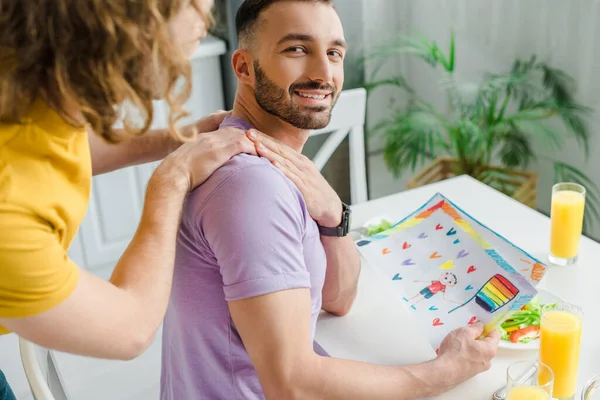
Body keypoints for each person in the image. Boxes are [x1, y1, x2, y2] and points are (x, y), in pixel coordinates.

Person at [160, 1, 500, 399]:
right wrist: (446, 370)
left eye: (334, 53)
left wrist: (334, 216)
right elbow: (292, 384)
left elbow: (339, 299)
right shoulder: (250, 186)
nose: (324, 74)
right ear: (244, 67)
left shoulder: (273, 167)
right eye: (297, 49)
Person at [0, 0, 284, 396]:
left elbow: (56, 144)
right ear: (129, 18)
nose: (207, 23)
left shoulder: (30, 82)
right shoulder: (8, 218)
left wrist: (177, 139)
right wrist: (171, 179)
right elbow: (130, 329)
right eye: (195, 6)